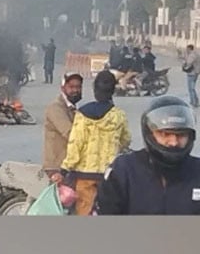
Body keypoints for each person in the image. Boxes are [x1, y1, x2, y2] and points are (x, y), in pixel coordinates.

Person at [95, 96, 200, 215]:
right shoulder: (123, 170)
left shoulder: (197, 171)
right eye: (165, 134)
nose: (173, 142)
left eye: (181, 135)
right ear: (149, 134)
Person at [57, 70, 131, 215]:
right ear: (113, 90)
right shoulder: (118, 115)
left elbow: (76, 144)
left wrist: (65, 168)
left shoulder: (82, 114)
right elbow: (125, 140)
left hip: (84, 176)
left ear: (95, 89)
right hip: (109, 175)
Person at [42, 72, 84, 179]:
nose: (75, 90)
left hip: (69, 165)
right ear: (63, 88)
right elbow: (70, 133)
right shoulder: (55, 108)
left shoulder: (73, 108)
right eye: (71, 87)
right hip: (57, 167)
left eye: (78, 87)